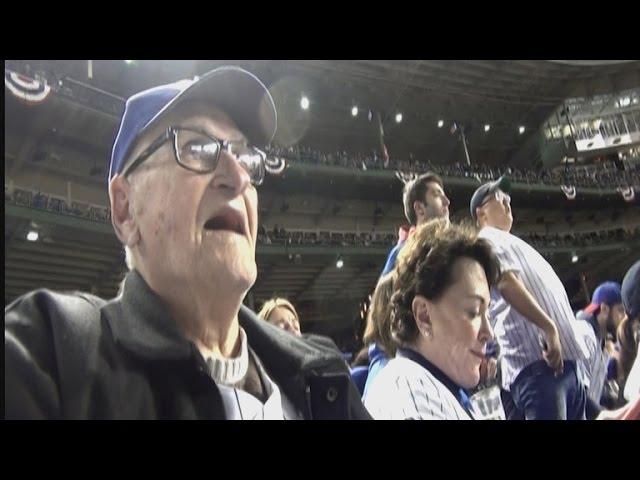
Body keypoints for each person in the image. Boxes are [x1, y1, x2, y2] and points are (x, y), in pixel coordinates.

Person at [5, 66, 370, 420]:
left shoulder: (323, 372)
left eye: (244, 156)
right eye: (197, 147)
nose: (237, 176)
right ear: (125, 209)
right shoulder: (48, 352)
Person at [471, 176, 590, 420]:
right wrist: (549, 328)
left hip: (560, 365)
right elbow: (505, 282)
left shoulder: (509, 240)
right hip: (539, 365)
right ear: (481, 213)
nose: (508, 204)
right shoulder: (487, 238)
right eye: (500, 199)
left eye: (509, 200)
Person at [364, 220, 501, 419]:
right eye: (473, 311)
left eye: (487, 312)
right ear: (424, 316)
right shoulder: (407, 396)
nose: (489, 333)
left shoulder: (436, 385)